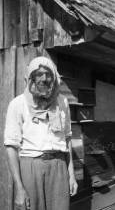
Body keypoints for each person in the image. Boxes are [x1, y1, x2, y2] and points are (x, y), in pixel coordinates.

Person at [4, 56, 78, 210]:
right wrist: (19, 188)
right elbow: (11, 147)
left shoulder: (62, 102)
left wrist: (71, 175)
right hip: (31, 167)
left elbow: (67, 139)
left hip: (58, 167)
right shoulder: (18, 104)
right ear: (31, 77)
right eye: (39, 74)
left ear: (54, 78)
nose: (44, 79)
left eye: (48, 74)